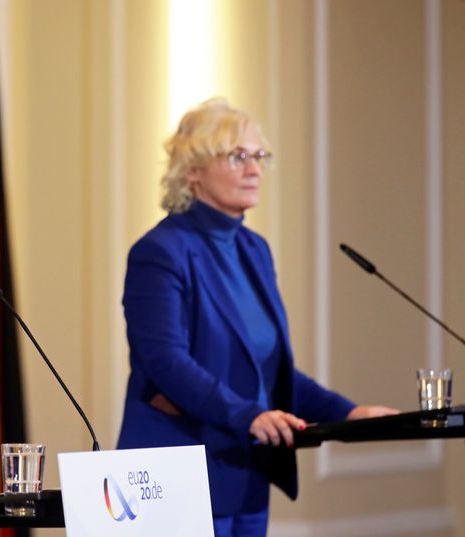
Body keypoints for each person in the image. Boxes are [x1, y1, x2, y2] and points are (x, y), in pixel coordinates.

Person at [115, 98, 397, 537]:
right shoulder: (160, 252)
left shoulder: (254, 250)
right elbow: (167, 363)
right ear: (192, 170)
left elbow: (269, 371)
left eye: (260, 156)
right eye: (238, 156)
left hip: (246, 473)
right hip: (175, 474)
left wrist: (349, 413)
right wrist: (248, 415)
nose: (254, 170)